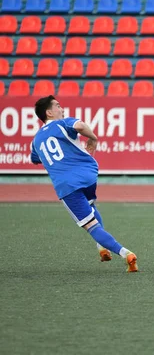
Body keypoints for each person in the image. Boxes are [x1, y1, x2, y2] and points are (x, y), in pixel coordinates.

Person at [30, 96, 138, 272]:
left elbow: (34, 159)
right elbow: (80, 126)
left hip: (66, 185)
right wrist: (93, 138)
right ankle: (101, 247)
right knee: (91, 205)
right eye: (58, 106)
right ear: (49, 112)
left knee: (91, 226)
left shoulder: (35, 141)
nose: (62, 108)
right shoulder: (64, 123)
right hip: (88, 174)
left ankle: (126, 253)